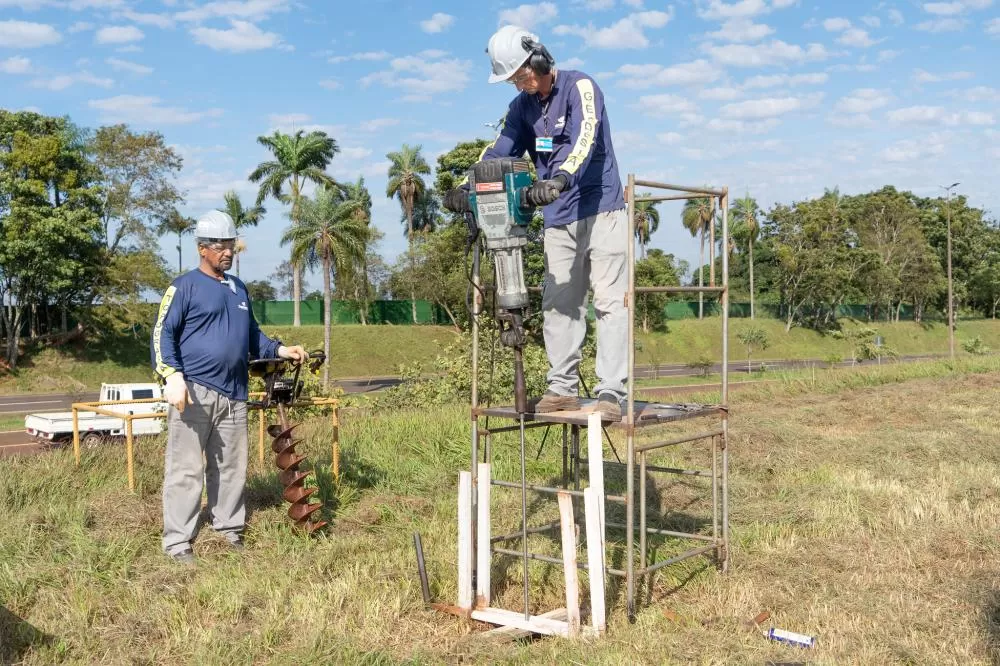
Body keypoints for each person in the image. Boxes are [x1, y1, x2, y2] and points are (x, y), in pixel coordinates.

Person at [444, 25, 628, 419]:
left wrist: (559, 178)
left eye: (521, 74)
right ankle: (561, 389)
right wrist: (465, 186)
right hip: (558, 219)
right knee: (559, 304)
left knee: (611, 303)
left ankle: (611, 394)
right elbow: (498, 150)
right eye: (511, 79)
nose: (518, 84)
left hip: (603, 209)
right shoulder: (521, 108)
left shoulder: (581, 87)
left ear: (539, 59)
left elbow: (585, 139)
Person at [151, 210, 308, 563]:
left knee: (231, 467)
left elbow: (252, 336)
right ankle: (178, 542)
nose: (228, 252)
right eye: (220, 245)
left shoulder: (239, 289)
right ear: (202, 248)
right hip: (194, 390)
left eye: (230, 245)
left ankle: (229, 529)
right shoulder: (183, 286)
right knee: (186, 469)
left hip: (235, 393)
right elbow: (163, 334)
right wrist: (172, 376)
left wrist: (281, 349)